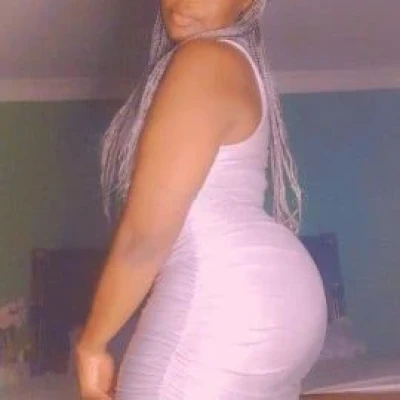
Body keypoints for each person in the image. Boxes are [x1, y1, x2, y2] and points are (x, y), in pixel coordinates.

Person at [75, 0, 327, 399]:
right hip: (279, 306)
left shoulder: (204, 60)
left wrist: (92, 344)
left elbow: (145, 239)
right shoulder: (238, 63)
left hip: (226, 298)